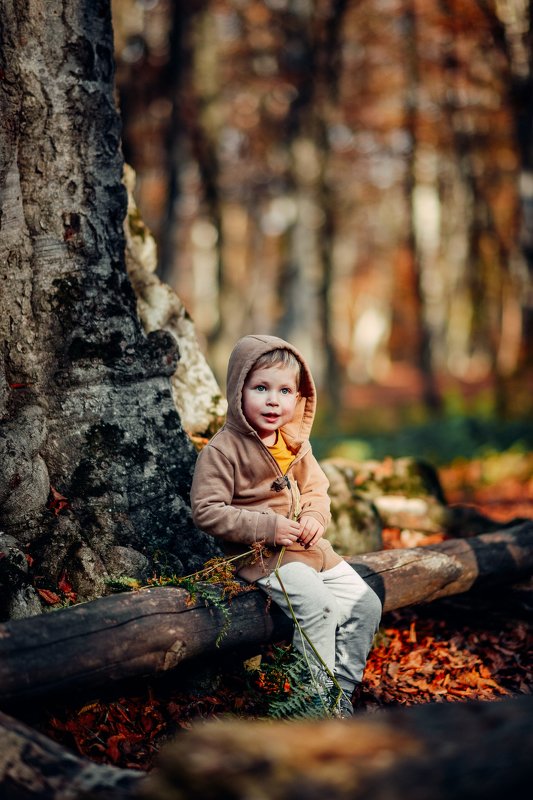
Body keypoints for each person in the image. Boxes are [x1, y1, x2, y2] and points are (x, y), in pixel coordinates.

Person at [190, 334, 382, 716]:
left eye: (284, 391)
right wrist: (268, 528)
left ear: (299, 397)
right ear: (238, 390)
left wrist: (314, 517)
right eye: (260, 388)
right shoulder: (222, 451)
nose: (273, 400)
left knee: (366, 605)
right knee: (320, 608)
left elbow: (317, 490)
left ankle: (340, 697)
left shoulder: (295, 444)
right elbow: (207, 510)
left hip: (310, 550)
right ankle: (315, 705)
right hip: (265, 557)